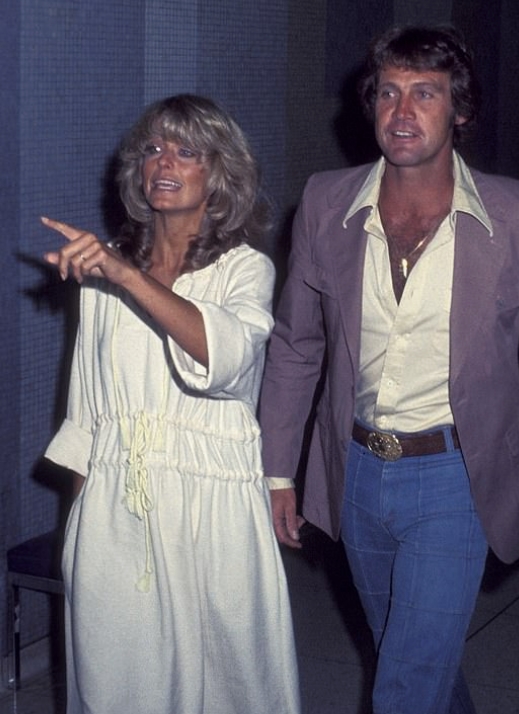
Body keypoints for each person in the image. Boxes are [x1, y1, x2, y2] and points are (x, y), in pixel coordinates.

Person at [259, 25, 519, 714]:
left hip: (457, 476)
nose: (402, 111)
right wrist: (278, 473)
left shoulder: (516, 216)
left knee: (404, 685)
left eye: (425, 93)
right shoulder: (327, 204)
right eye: (389, 92)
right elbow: (297, 344)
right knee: (414, 661)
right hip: (356, 469)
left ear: (460, 110)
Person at [43, 94, 300, 714]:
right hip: (115, 509)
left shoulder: (244, 271)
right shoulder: (104, 273)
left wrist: (126, 276)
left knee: (228, 687)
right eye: (153, 149)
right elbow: (88, 416)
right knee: (117, 686)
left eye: (187, 151)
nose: (164, 162)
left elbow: (223, 359)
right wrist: (78, 537)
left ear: (220, 175)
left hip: (213, 509)